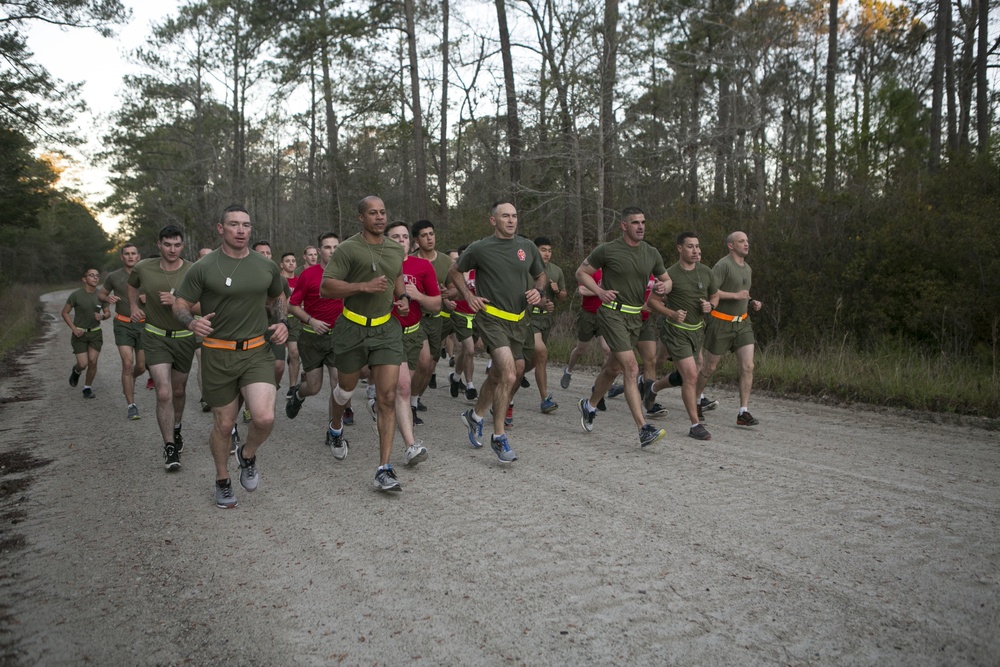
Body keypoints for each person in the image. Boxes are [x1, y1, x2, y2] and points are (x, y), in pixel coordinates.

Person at [173, 205, 289, 509]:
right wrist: (191, 322)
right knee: (224, 425)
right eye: (234, 224)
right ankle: (222, 480)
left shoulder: (266, 266)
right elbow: (180, 303)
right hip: (218, 353)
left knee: (264, 418)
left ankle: (247, 454)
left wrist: (282, 322)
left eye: (246, 225)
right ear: (220, 228)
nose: (241, 230)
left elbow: (278, 297)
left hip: (256, 350)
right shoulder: (204, 267)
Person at [320, 196, 410, 492]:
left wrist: (403, 298)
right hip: (352, 328)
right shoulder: (348, 248)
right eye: (373, 213)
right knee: (345, 389)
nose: (380, 218)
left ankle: (383, 468)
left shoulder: (397, 249)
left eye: (383, 212)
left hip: (386, 329)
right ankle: (335, 426)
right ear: (361, 218)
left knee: (386, 397)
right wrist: (362, 286)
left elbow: (396, 277)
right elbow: (327, 287)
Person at [449, 201, 546, 463]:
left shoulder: (526, 247)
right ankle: (499, 437)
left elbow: (541, 276)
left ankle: (475, 416)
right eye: (505, 216)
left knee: (497, 376)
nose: (511, 220)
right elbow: (454, 271)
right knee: (509, 373)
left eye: (514, 216)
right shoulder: (480, 248)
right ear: (493, 221)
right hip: (491, 318)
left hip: (518, 320)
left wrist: (538, 290)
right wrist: (468, 296)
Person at [575, 206, 671, 448]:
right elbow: (581, 272)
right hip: (612, 314)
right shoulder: (608, 250)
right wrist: (599, 291)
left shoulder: (651, 252)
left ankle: (590, 405)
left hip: (636, 317)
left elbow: (667, 279)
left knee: (613, 368)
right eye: (636, 222)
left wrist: (662, 288)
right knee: (631, 367)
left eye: (643, 222)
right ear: (624, 226)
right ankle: (643, 429)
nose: (641, 227)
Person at [127, 225, 198, 471]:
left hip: (184, 337)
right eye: (167, 244)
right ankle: (169, 446)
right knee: (164, 392)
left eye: (177, 244)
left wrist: (178, 301)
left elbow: (203, 304)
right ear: (159, 244)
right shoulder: (143, 267)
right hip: (155, 336)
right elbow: (132, 285)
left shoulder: (193, 270)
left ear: (183, 245)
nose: (172, 249)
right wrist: (134, 307)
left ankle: (177, 429)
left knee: (178, 391)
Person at [644, 232, 718, 440]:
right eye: (690, 247)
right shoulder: (669, 274)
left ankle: (653, 386)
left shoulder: (706, 272)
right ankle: (695, 425)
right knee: (691, 375)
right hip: (676, 331)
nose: (696, 251)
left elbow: (715, 295)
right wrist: (672, 314)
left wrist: (710, 305)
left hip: (697, 331)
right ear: (680, 249)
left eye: (697, 246)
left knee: (685, 374)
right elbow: (653, 302)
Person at [696, 230, 763, 427]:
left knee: (748, 366)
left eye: (747, 241)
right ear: (730, 245)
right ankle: (696, 400)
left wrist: (751, 302)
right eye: (741, 241)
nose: (746, 244)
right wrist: (735, 296)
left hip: (742, 323)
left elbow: (743, 294)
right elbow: (711, 293)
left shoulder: (748, 268)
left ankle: (743, 412)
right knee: (709, 368)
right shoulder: (723, 265)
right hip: (721, 323)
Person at [285, 233, 347, 441]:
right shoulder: (309, 275)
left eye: (336, 247)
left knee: (338, 384)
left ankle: (334, 431)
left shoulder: (347, 273)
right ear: (320, 251)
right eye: (327, 247)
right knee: (313, 386)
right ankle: (298, 395)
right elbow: (292, 305)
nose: (332, 251)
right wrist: (311, 320)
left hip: (337, 338)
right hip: (311, 338)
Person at [507, 236, 566, 421]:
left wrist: (556, 292)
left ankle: (506, 396)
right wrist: (541, 304)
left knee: (527, 364)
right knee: (541, 352)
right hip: (527, 318)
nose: (546, 253)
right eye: (542, 249)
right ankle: (544, 399)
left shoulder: (556, 270)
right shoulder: (526, 269)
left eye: (549, 250)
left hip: (546, 321)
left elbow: (564, 296)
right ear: (534, 250)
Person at [98, 243, 147, 420]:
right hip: (123, 324)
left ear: (138, 256)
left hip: (144, 325)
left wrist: (148, 296)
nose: (130, 256)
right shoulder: (114, 276)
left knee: (141, 366)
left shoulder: (146, 274)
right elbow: (101, 295)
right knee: (127, 364)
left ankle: (130, 378)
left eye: (133, 253)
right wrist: (107, 298)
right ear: (122, 257)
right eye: (127, 254)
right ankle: (131, 405)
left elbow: (161, 293)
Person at [409, 219, 454, 406]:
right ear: (417, 240)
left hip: (436, 319)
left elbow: (455, 289)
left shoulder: (446, 261)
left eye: (431, 234)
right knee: (423, 361)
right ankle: (408, 403)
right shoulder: (410, 261)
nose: (429, 238)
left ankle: (415, 398)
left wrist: (447, 294)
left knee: (430, 366)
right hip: (415, 318)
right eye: (424, 235)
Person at [62, 268, 110, 399]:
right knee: (83, 364)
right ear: (84, 279)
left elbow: (107, 313)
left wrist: (103, 317)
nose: (95, 278)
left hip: (95, 333)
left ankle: (87, 388)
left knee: (93, 361)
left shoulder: (101, 295)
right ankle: (76, 370)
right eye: (91, 275)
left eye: (97, 276)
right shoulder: (76, 295)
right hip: (80, 334)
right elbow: (65, 312)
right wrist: (74, 328)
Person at [447, 244, 478, 403]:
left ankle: (456, 377)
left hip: (476, 315)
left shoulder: (477, 272)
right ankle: (470, 387)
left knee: (467, 351)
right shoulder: (455, 273)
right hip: (460, 314)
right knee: (469, 349)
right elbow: (449, 292)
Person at [279, 251, 302, 397]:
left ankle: (292, 386)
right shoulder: (278, 280)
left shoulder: (300, 280)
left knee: (294, 353)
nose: (291, 263)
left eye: (293, 260)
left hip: (294, 320)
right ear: (281, 264)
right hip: (278, 319)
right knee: (277, 360)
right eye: (287, 261)